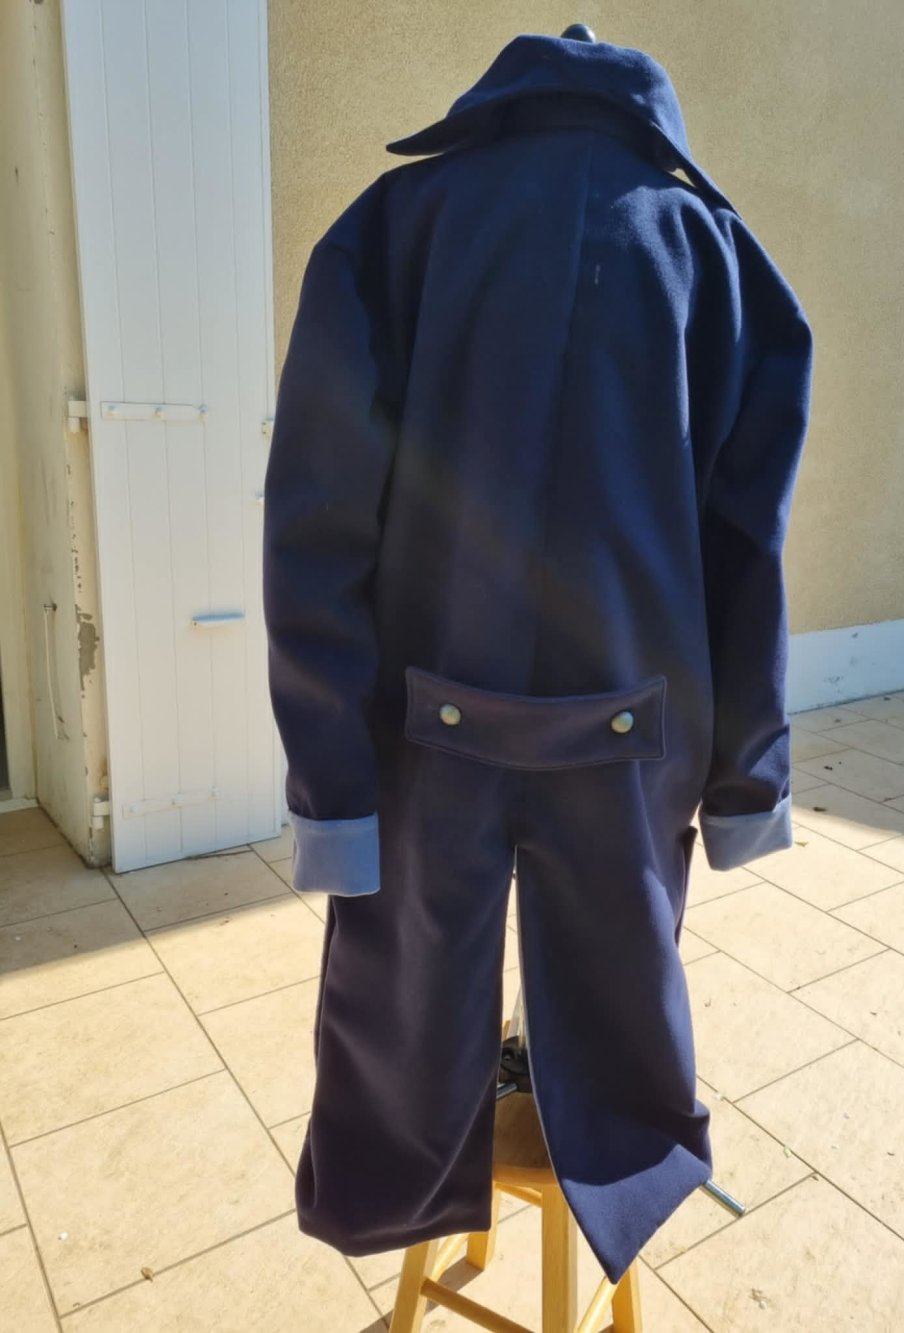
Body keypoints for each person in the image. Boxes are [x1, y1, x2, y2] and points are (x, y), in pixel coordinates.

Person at [262, 29, 813, 1287]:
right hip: (634, 731)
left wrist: (329, 787)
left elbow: (315, 530)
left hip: (420, 732)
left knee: (402, 990)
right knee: (621, 1000)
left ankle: (408, 1183)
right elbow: (749, 557)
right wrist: (747, 779)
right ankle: (619, 1153)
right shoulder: (724, 260)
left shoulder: (390, 227)